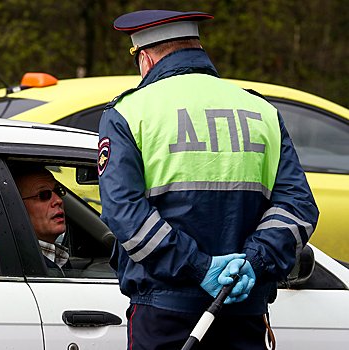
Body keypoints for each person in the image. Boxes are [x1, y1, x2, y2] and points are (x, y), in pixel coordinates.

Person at [98, 10, 319, 350]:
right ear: (198, 49)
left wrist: (200, 268)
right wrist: (254, 262)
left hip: (165, 313)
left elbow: (125, 213)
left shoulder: (129, 112)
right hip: (245, 309)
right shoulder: (260, 111)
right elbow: (297, 207)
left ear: (144, 59)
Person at [11, 164, 71, 275]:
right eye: (43, 195)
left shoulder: (53, 259)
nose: (58, 200)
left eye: (58, 191)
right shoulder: (15, 266)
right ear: (17, 208)